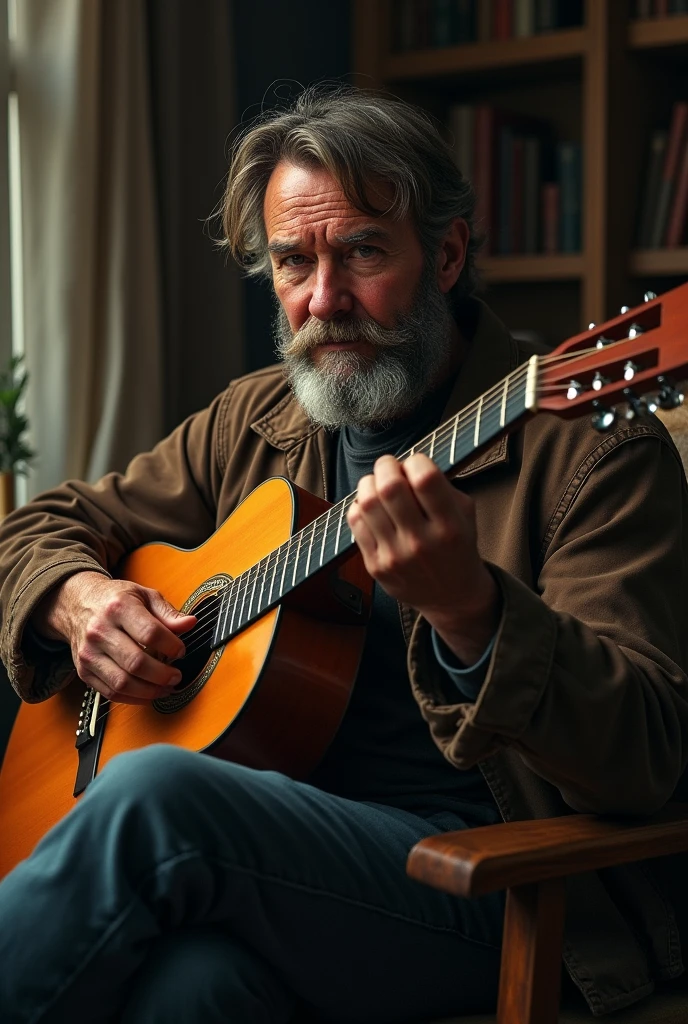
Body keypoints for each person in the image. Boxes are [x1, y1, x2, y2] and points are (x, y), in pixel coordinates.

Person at [0, 85, 687, 1024]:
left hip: (496, 887)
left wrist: (475, 616)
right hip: (281, 870)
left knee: (154, 792)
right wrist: (78, 600)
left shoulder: (591, 456)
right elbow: (39, 528)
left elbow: (648, 753)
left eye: (362, 252)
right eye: (293, 262)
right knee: (187, 991)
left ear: (445, 256)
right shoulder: (257, 420)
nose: (323, 302)